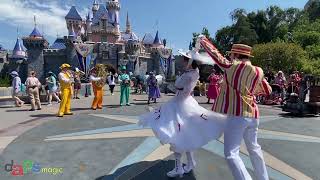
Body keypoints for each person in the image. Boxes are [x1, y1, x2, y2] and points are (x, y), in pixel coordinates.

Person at [139, 50, 226, 178]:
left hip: (180, 104)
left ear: (189, 62)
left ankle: (179, 167)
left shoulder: (188, 75)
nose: (182, 61)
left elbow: (177, 84)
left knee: (177, 136)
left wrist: (182, 75)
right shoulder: (194, 73)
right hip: (188, 103)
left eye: (185, 59)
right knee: (186, 135)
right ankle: (190, 162)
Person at [198, 35, 272, 180]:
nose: (230, 56)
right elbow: (267, 90)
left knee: (231, 153)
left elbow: (215, 55)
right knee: (254, 149)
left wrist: (203, 40)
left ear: (237, 55)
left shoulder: (231, 66)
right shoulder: (258, 71)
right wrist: (249, 90)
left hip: (236, 115)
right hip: (253, 114)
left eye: (232, 54)